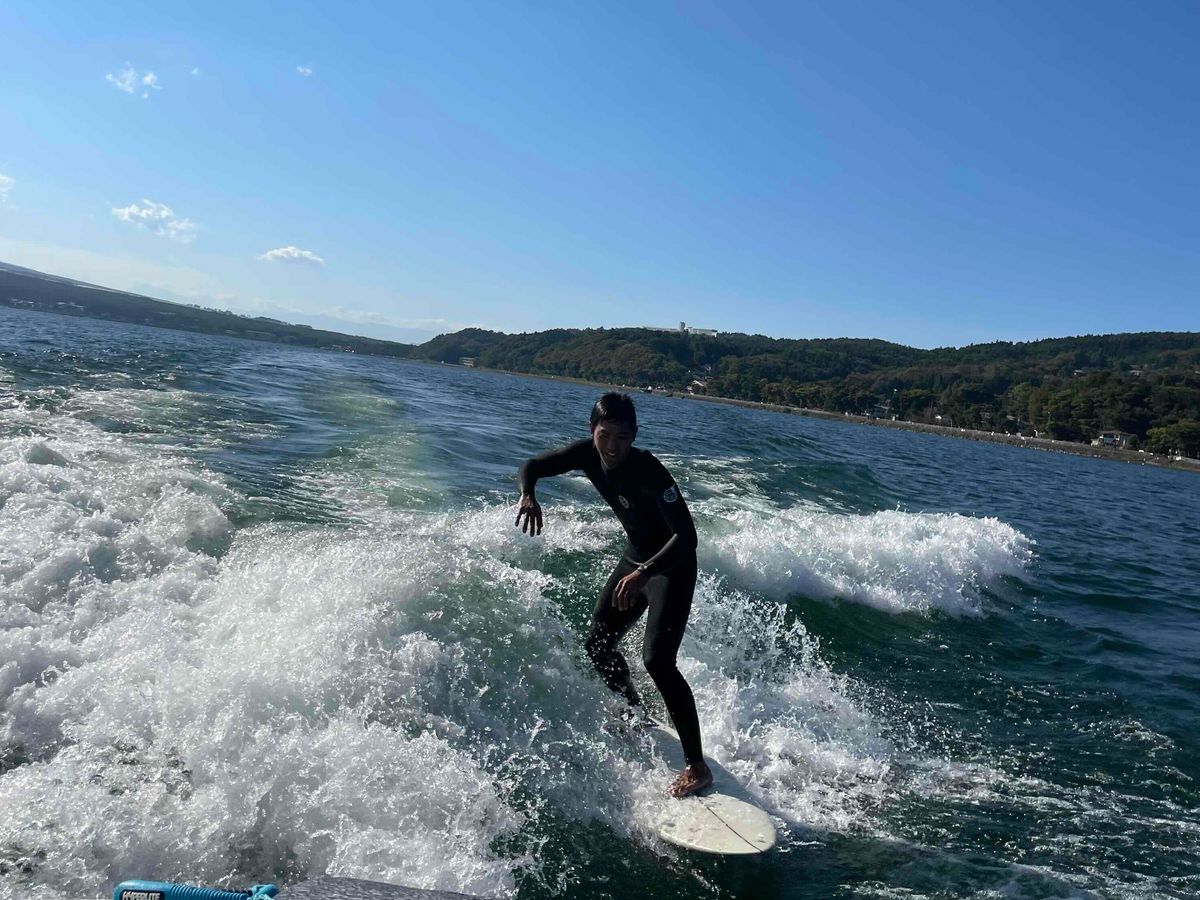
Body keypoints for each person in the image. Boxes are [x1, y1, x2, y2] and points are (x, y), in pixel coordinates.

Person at [515, 392, 713, 797]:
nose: (612, 446)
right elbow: (533, 465)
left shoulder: (649, 471)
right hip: (635, 560)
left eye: (623, 436)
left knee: (658, 659)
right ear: (593, 432)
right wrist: (528, 493)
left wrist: (644, 573)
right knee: (598, 645)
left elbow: (687, 538)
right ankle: (635, 712)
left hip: (669, 567)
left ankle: (697, 765)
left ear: (634, 436)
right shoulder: (587, 454)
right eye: (605, 435)